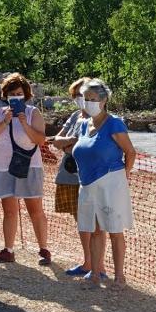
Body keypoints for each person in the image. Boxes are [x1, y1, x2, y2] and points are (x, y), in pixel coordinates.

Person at [71, 79, 136, 288]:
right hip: (87, 183)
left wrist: (123, 175)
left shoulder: (114, 123)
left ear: (104, 100)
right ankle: (96, 273)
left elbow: (130, 152)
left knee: (115, 230)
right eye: (86, 99)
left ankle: (119, 277)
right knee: (95, 230)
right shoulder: (83, 124)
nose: (88, 103)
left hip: (110, 183)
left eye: (92, 99)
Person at [0, 73, 50, 265]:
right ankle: (8, 250)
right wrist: (5, 121)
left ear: (26, 94)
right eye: (12, 94)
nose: (16, 97)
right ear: (5, 95)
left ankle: (44, 250)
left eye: (19, 93)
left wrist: (23, 123)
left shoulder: (33, 113)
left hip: (30, 167)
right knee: (9, 210)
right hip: (3, 168)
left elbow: (40, 140)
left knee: (35, 209)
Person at [49, 77, 96, 277]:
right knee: (81, 221)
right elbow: (56, 141)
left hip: (90, 178)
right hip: (69, 176)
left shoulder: (100, 118)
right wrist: (72, 141)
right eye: (75, 95)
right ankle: (88, 263)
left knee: (94, 223)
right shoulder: (75, 116)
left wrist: (69, 144)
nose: (79, 98)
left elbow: (89, 145)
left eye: (82, 94)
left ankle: (97, 265)